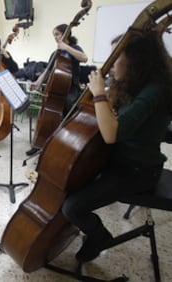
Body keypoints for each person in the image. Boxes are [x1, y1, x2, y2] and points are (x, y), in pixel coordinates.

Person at [61, 31, 172, 263]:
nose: (110, 63)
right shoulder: (133, 85)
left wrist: (99, 93)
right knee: (68, 185)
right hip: (118, 161)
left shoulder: (153, 91)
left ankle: (99, 236)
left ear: (135, 60)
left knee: (73, 207)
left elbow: (112, 133)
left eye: (115, 55)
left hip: (138, 171)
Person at [26, 24, 88, 155]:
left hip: (71, 90)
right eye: (54, 35)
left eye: (57, 34)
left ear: (67, 34)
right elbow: (47, 71)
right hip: (56, 89)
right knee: (46, 116)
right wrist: (37, 83)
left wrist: (66, 47)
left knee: (66, 119)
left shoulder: (74, 48)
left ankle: (63, 147)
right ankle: (39, 143)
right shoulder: (55, 53)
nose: (55, 37)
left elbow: (84, 58)